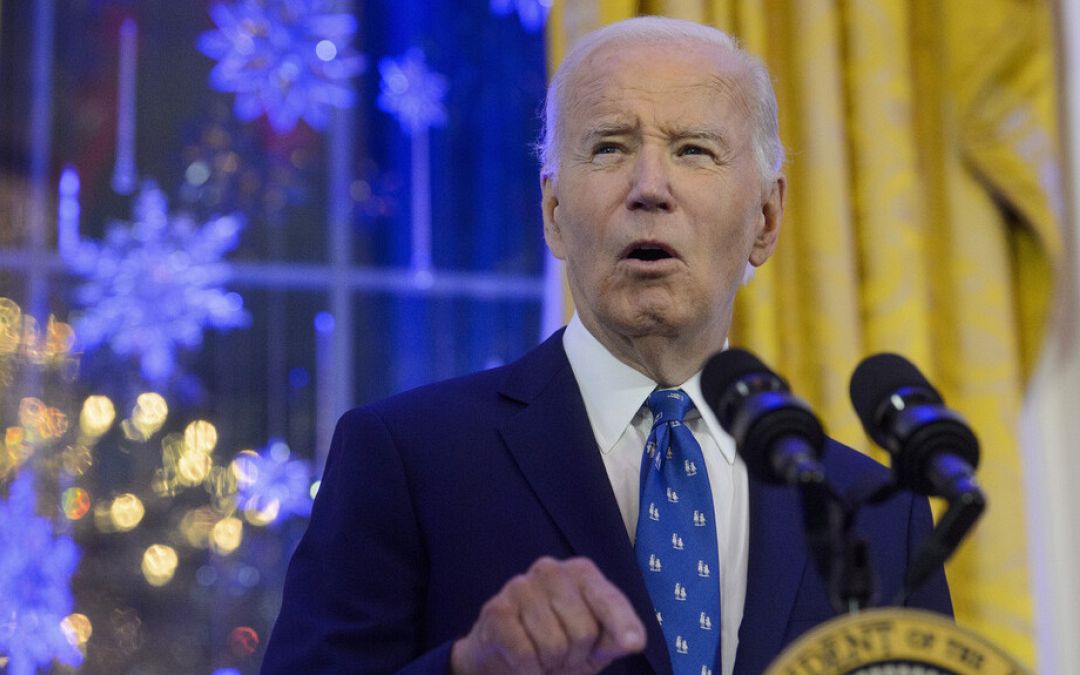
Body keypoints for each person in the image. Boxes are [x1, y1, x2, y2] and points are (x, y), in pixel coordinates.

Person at [261, 16, 952, 675]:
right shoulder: (404, 457)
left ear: (766, 219)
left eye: (694, 150)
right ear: (554, 213)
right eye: (609, 147)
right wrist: (469, 667)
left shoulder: (880, 514)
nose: (649, 188)